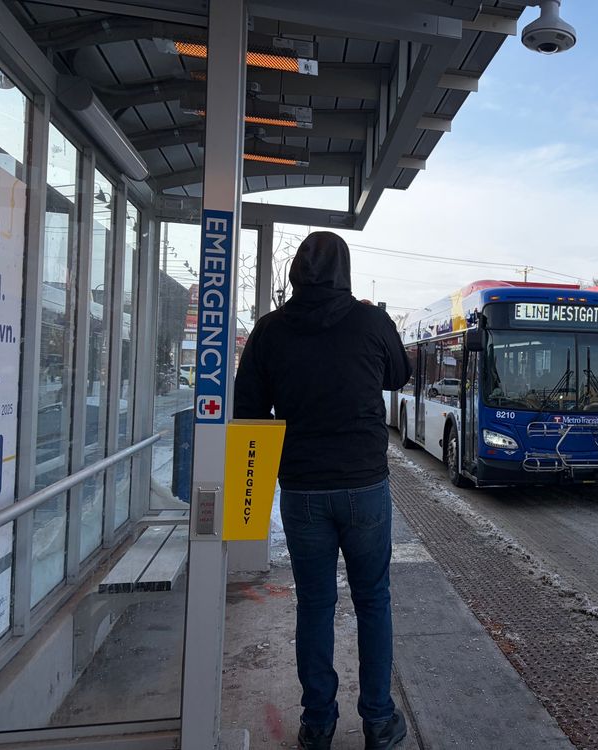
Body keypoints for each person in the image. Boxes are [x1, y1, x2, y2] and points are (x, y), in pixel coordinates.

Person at [234, 231, 412, 750]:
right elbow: (399, 375)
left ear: (295, 272)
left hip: (303, 492)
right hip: (364, 487)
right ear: (345, 270)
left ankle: (318, 723)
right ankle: (378, 721)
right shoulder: (370, 321)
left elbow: (248, 410)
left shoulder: (270, 330)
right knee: (373, 601)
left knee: (315, 604)